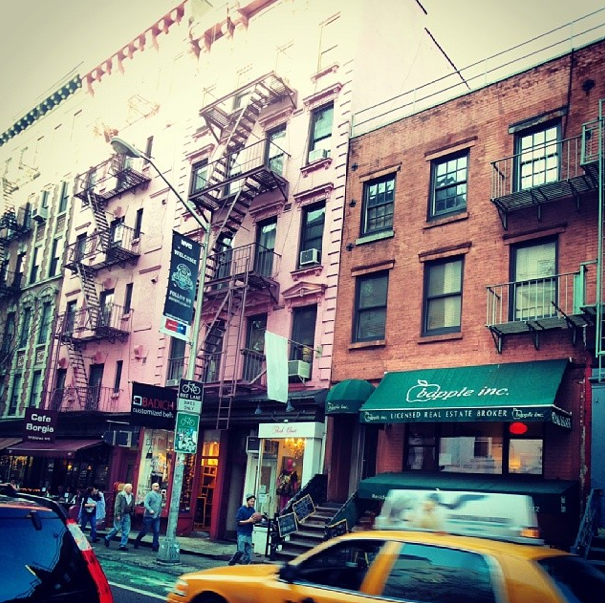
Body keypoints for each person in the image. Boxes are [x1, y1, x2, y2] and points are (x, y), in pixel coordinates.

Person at [228, 493, 260, 566]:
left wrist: (257, 520)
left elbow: (253, 520)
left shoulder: (252, 510)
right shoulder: (241, 510)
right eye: (251, 501)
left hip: (249, 533)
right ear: (247, 501)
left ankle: (244, 567)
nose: (253, 503)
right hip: (242, 533)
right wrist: (249, 521)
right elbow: (239, 522)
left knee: (248, 555)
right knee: (241, 551)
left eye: (253, 501)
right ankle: (233, 561)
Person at [104, 483, 134, 551]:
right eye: (129, 488)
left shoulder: (132, 495)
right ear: (125, 488)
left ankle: (122, 545)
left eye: (131, 488)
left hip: (127, 514)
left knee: (126, 530)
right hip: (120, 514)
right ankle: (108, 538)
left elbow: (132, 504)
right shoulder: (120, 495)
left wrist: (132, 511)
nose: (130, 489)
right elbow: (117, 505)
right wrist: (117, 514)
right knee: (117, 528)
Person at [133, 482, 162, 552]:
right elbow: (146, 503)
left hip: (157, 516)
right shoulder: (149, 494)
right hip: (148, 516)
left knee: (156, 531)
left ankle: (155, 546)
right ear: (152, 487)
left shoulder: (160, 496)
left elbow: (159, 505)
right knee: (145, 531)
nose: (157, 487)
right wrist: (150, 509)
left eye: (158, 486)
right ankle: (137, 541)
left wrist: (160, 512)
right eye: (155, 486)